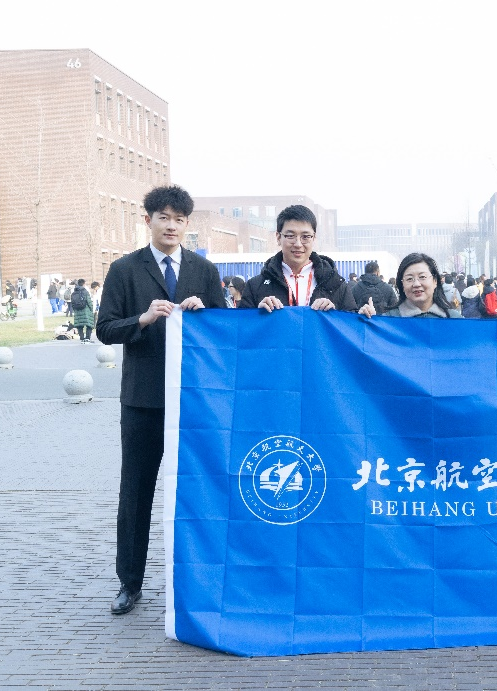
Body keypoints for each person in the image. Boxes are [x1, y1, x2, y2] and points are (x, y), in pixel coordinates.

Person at [95, 184, 226, 615]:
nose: (171, 226)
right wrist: (143, 318)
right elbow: (105, 329)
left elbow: (225, 331)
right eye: (163, 217)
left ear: (187, 224)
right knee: (136, 493)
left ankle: (203, 581)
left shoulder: (203, 270)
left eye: (179, 219)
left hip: (194, 401)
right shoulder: (124, 269)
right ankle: (129, 583)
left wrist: (205, 313)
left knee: (201, 490)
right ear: (147, 220)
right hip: (143, 401)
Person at [237, 206, 356, 312]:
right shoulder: (255, 286)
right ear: (278, 237)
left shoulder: (336, 285)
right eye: (290, 236)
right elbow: (242, 326)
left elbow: (352, 326)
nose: (298, 244)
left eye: (306, 236)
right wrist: (256, 315)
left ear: (314, 238)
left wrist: (336, 316)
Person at [364, 252, 462, 318]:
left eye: (422, 277)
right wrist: (371, 323)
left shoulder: (454, 319)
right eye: (409, 279)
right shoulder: (390, 319)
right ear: (402, 284)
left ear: (435, 281)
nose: (416, 284)